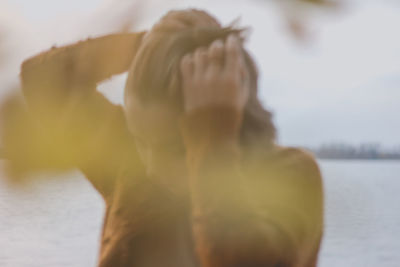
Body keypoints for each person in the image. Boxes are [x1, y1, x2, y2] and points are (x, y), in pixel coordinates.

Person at [3, 9, 323, 267]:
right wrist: (148, 45)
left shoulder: (289, 176)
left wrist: (211, 144)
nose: (152, 167)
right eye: (140, 139)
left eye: (173, 147)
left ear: (227, 115)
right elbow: (45, 79)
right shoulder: (132, 167)